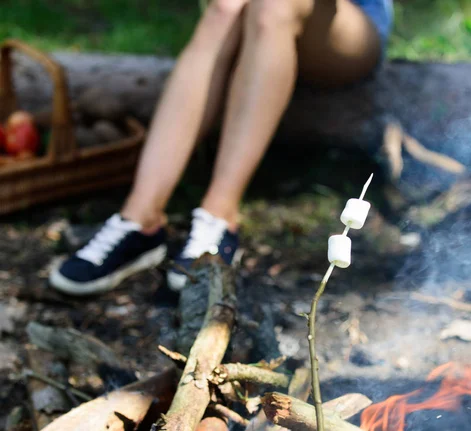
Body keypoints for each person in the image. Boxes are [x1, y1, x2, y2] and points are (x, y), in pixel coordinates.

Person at [49, 0, 393, 296]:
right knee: (224, 7)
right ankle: (141, 219)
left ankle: (220, 213)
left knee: (274, 4)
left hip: (348, 25)